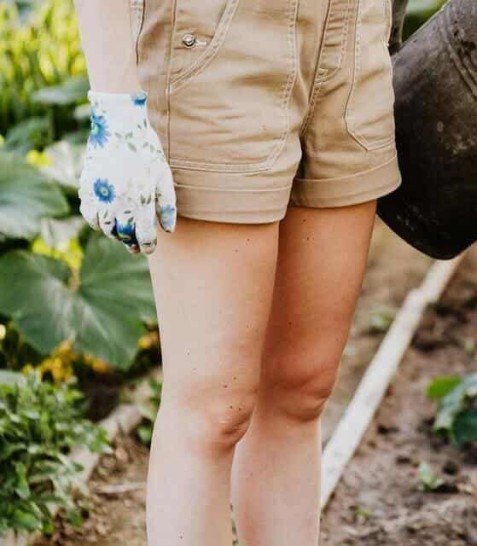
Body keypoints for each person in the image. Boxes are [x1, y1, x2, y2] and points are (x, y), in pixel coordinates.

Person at [73, 0, 401, 543]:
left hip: (354, 33)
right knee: (213, 409)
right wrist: (115, 101)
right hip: (217, 40)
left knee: (303, 388)